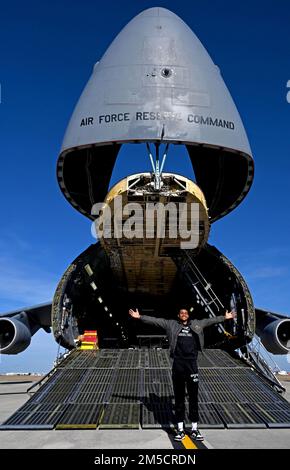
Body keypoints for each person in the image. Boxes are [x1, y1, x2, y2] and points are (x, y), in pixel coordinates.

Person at [129, 306, 236, 441]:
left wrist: (224, 318)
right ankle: (180, 430)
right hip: (178, 364)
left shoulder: (197, 324)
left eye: (186, 313)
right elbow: (156, 321)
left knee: (193, 398)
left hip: (192, 364)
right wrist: (140, 317)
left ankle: (195, 429)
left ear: (188, 315)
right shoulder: (171, 324)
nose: (184, 314)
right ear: (178, 315)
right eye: (181, 313)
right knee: (179, 398)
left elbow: (210, 320)